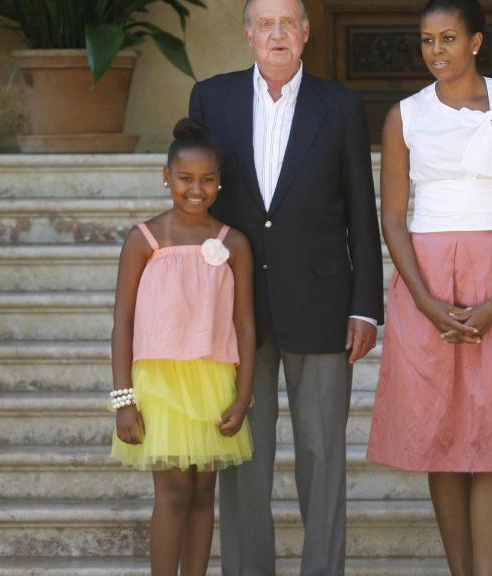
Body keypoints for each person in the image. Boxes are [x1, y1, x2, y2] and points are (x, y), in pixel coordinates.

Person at [365, 1, 492, 574]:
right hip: (427, 279)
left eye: (448, 38)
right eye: (427, 40)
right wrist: (425, 301)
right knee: (441, 435)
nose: (435, 51)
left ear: (476, 42)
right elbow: (392, 218)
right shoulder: (404, 116)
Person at [188, 0, 385, 573]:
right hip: (234, 306)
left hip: (322, 303)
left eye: (288, 24)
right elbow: (196, 205)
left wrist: (365, 308)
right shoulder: (211, 98)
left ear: (305, 33)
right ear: (247, 35)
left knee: (323, 456)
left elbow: (360, 210)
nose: (277, 34)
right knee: (241, 456)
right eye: (265, 24)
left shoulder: (340, 105)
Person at [110, 118, 255, 576]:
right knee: (172, 493)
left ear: (219, 181)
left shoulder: (233, 243)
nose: (196, 189)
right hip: (160, 384)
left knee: (202, 494)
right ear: (166, 176)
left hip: (212, 380)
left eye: (207, 179)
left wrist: (244, 395)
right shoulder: (144, 240)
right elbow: (122, 323)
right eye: (185, 178)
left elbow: (245, 324)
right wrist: (123, 399)